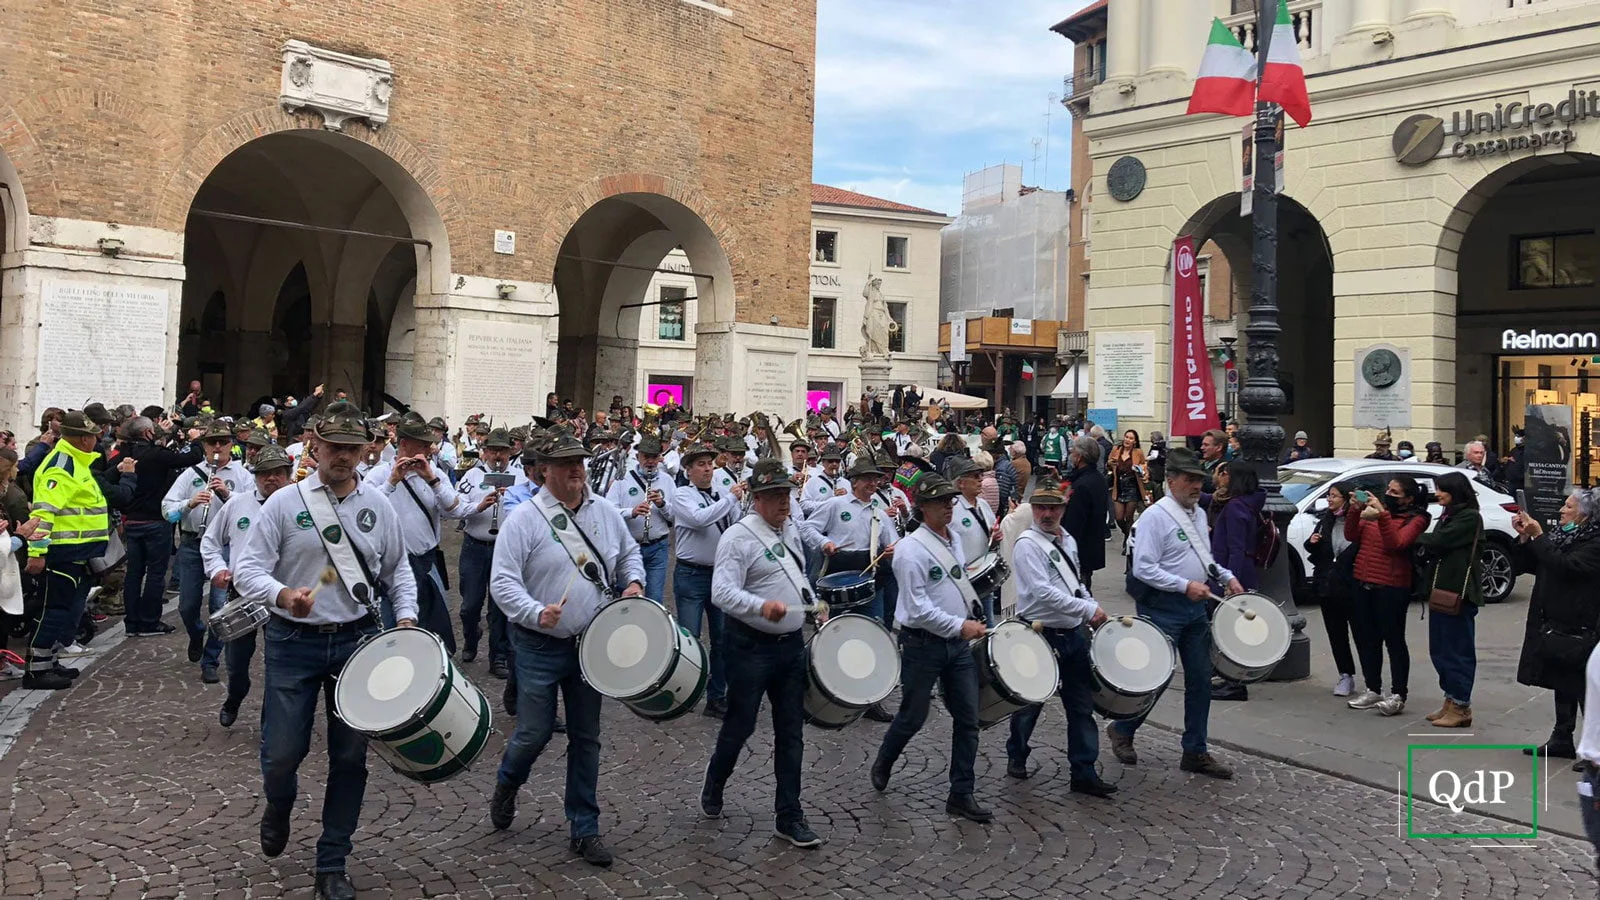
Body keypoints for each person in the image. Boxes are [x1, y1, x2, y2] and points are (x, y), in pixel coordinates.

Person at [231, 402, 419, 900]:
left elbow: (399, 568)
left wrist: (406, 616)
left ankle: (332, 861)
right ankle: (279, 801)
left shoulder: (378, 504)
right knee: (280, 754)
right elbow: (249, 568)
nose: (342, 456)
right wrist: (281, 594)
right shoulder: (283, 503)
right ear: (314, 446)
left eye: (351, 448)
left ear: (365, 451)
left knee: (350, 757)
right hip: (293, 642)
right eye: (333, 446)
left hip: (355, 641)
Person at [488, 431, 645, 869]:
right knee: (534, 732)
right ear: (545, 470)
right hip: (538, 643)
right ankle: (507, 782)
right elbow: (502, 582)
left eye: (579, 461)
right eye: (566, 463)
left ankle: (584, 826)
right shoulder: (526, 518)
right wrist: (535, 612)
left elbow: (629, 553)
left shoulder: (605, 513)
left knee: (586, 737)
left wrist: (633, 582)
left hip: (589, 642)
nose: (576, 469)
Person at [700, 459, 825, 848]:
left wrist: (812, 603)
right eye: (774, 495)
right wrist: (760, 605)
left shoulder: (789, 528)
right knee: (741, 725)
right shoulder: (738, 537)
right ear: (757, 499)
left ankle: (788, 815)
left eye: (786, 494)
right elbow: (720, 593)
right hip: (749, 647)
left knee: (791, 732)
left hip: (789, 648)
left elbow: (796, 575)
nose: (783, 502)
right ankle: (715, 781)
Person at [1106, 448, 1241, 779]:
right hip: (1162, 606)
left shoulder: (1196, 513)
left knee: (1200, 680)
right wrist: (1183, 585)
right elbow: (1144, 568)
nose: (1196, 486)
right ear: (1171, 481)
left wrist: (1225, 576)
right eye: (1190, 479)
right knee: (1157, 677)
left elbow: (1202, 557)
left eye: (1199, 480)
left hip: (1194, 606)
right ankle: (1123, 727)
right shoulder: (1156, 516)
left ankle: (1195, 749)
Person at [870, 475, 994, 823]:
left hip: (956, 647)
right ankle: (885, 759)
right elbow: (918, 608)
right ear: (923, 508)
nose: (948, 508)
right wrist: (960, 625)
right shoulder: (910, 550)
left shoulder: (953, 539)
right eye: (941, 503)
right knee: (913, 714)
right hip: (921, 645)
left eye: (950, 502)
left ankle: (961, 793)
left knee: (969, 719)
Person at [1004, 483, 1116, 796]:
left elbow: (1074, 584)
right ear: (1033, 510)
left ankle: (1084, 770)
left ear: (1063, 509)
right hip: (1041, 632)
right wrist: (1087, 607)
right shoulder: (1028, 544)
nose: (1047, 514)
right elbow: (1042, 592)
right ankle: (1017, 752)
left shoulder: (1068, 541)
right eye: (1041, 508)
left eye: (1053, 508)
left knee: (1081, 706)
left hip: (1072, 633)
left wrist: (1087, 604)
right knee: (1031, 702)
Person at [23, 412, 130, 689]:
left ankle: (49, 661)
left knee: (63, 608)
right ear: (84, 438)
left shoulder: (76, 463)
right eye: (95, 435)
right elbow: (43, 513)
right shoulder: (62, 467)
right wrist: (37, 552)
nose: (98, 439)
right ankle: (37, 669)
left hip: (76, 552)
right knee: (53, 610)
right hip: (61, 552)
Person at [801, 456, 901, 721]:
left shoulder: (879, 512)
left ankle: (869, 700)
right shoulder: (835, 504)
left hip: (870, 581)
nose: (873, 483)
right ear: (855, 481)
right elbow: (807, 528)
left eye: (875, 479)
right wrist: (824, 544)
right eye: (868, 479)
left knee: (872, 638)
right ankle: (823, 694)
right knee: (834, 637)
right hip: (838, 577)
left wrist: (894, 550)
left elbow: (896, 542)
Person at [202, 444, 293, 726]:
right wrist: (217, 569)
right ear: (255, 476)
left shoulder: (300, 505)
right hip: (243, 595)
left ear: (288, 475)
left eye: (278, 473)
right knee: (237, 663)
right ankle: (236, 696)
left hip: (282, 597)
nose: (271, 479)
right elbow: (210, 542)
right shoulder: (238, 504)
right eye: (265, 473)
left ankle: (270, 720)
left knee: (278, 665)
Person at [364, 413, 467, 650]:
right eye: (422, 444)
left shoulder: (435, 473)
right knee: (393, 627)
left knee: (431, 627)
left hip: (426, 562)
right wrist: (392, 481)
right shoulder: (379, 474)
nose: (428, 449)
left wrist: (432, 479)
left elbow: (453, 508)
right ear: (403, 444)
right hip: (390, 564)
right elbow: (367, 513)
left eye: (428, 444)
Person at [1513, 489, 1600, 760]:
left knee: (1586, 684)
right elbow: (1539, 561)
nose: (1562, 510)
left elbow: (1567, 566)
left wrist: (1539, 536)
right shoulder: (1565, 535)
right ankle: (1562, 736)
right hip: (1556, 619)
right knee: (1562, 678)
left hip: (1583, 620)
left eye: (1569, 507)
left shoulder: (1594, 542)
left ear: (1585, 516)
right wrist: (1527, 538)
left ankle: (1593, 746)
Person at [160, 421, 247, 684]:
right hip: (191, 544)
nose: (217, 447)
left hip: (225, 547)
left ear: (231, 445)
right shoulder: (190, 474)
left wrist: (227, 494)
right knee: (187, 605)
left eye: (223, 442)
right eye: (212, 443)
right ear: (205, 446)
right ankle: (197, 634)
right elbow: (167, 511)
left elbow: (251, 511)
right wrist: (190, 503)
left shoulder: (242, 474)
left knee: (220, 607)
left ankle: (211, 659)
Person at [1344, 475, 1430, 717]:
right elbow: (1352, 535)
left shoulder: (1417, 518)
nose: (1389, 495)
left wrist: (1382, 515)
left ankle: (1398, 694)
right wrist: (1354, 509)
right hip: (1364, 579)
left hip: (1392, 586)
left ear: (1409, 498)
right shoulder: (1373, 513)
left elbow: (1397, 544)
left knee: (1394, 640)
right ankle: (1373, 688)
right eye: (1388, 490)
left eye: (1395, 493)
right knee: (1367, 639)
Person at [672, 441, 745, 719]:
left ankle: (717, 697)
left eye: (710, 464)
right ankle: (683, 693)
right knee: (690, 638)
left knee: (723, 639)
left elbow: (735, 525)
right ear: (688, 470)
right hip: (691, 574)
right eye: (700, 465)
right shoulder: (682, 495)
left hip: (720, 574)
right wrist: (730, 499)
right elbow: (700, 519)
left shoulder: (720, 495)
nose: (707, 469)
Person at [118, 415, 203, 637]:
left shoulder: (127, 454)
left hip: (133, 520)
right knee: (156, 573)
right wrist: (196, 439)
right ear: (148, 433)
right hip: (155, 520)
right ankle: (148, 621)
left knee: (134, 574)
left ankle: (132, 621)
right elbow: (192, 457)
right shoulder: (156, 455)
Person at [1416, 470, 1484, 729]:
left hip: (1460, 592)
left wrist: (1418, 537)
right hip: (1442, 590)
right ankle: (1450, 698)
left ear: (1455, 492)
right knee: (1440, 649)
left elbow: (1439, 541)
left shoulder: (1469, 517)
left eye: (1441, 489)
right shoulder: (1448, 516)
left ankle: (1461, 705)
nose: (1437, 493)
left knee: (1458, 650)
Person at [454, 428, 524, 678]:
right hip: (474, 546)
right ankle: (471, 638)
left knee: (500, 607)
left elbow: (528, 511)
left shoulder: (519, 477)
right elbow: (456, 506)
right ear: (485, 452)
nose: (497, 455)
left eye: (502, 451)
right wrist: (479, 505)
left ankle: (499, 656)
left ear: (510, 452)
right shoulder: (472, 475)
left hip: (504, 549)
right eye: (493, 450)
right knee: (469, 605)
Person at [605, 434, 674, 606]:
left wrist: (662, 504)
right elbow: (608, 512)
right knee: (627, 598)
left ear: (659, 458)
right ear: (637, 457)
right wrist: (632, 512)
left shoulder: (667, 481)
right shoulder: (622, 480)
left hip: (658, 547)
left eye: (654, 457)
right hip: (629, 547)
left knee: (654, 600)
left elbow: (676, 516)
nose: (650, 462)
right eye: (646, 457)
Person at [1306, 482, 1360, 698]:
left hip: (1353, 585)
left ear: (1346, 498)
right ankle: (1345, 674)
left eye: (1334, 496)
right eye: (1329, 495)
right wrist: (1312, 542)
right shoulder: (1325, 520)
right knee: (1337, 634)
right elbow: (1314, 548)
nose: (1329, 499)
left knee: (1362, 633)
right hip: (1328, 585)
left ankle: (1374, 681)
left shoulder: (1356, 521)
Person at [947, 458, 1002, 623]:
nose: (980, 479)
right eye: (975, 476)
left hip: (983, 577)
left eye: (981, 475)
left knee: (987, 627)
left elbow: (991, 539)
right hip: (962, 582)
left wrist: (996, 538)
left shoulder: (983, 505)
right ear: (961, 483)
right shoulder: (952, 509)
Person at [1060, 436, 1108, 587]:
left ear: (1079, 457)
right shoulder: (1097, 478)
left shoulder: (1082, 486)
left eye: (1073, 452)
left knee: (1079, 590)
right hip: (1091, 546)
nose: (1070, 455)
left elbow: (1074, 523)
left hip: (1080, 549)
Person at [1107, 430, 1148, 549]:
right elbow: (1108, 464)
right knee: (1119, 518)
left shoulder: (1138, 452)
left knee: (1129, 517)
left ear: (1135, 441)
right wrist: (1111, 463)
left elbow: (1144, 466)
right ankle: (1129, 535)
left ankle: (1127, 542)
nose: (1127, 440)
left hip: (1132, 487)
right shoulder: (1117, 450)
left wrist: (1141, 470)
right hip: (1119, 486)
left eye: (1131, 438)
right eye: (1126, 437)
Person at [799, 445, 847, 516]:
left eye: (837, 461)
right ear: (823, 462)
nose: (834, 464)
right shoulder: (813, 481)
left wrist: (847, 498)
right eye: (830, 461)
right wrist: (828, 504)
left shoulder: (846, 483)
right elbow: (803, 505)